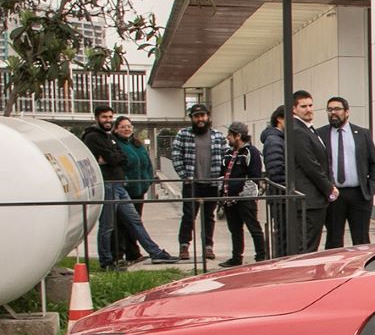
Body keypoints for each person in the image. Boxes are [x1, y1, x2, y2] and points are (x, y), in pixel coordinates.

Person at [81, 104, 177, 268]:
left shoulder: (108, 137)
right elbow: (114, 158)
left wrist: (112, 157)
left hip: (119, 186)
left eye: (110, 117)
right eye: (104, 117)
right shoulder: (92, 137)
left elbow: (120, 157)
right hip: (108, 185)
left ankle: (155, 253)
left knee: (135, 221)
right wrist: (112, 157)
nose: (108, 120)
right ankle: (106, 261)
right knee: (108, 226)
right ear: (97, 118)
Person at [317, 96, 375, 247]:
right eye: (330, 109)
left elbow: (373, 163)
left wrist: (371, 189)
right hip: (333, 194)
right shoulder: (320, 134)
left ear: (347, 112)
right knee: (333, 239)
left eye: (337, 109)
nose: (333, 113)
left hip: (359, 194)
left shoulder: (362, 133)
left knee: (361, 240)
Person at [169, 102, 227, 258]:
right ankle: (184, 246)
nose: (200, 119)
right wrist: (185, 176)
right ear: (192, 118)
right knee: (188, 216)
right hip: (192, 183)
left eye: (202, 115)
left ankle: (208, 246)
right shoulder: (183, 134)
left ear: (208, 117)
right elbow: (176, 156)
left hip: (212, 183)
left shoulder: (218, 136)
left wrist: (222, 179)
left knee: (209, 217)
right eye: (196, 116)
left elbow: (225, 158)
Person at [286, 91, 336, 253]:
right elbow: (310, 165)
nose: (308, 109)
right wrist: (329, 187)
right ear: (293, 109)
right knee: (306, 247)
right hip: (309, 199)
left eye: (310, 105)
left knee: (309, 245)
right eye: (303, 106)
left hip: (313, 199)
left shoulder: (306, 129)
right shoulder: (297, 130)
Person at [219, 122, 266, 266]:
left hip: (245, 199)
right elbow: (223, 174)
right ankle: (236, 257)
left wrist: (244, 195)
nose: (227, 137)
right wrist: (222, 194)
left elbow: (254, 177)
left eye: (230, 135)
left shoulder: (251, 152)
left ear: (238, 136)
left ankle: (261, 257)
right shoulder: (228, 153)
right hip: (229, 198)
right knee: (234, 229)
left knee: (254, 227)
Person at [112, 116, 154, 264]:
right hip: (125, 190)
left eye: (129, 126)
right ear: (116, 128)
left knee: (135, 222)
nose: (127, 129)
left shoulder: (137, 145)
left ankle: (133, 253)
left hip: (139, 189)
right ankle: (118, 255)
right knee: (122, 223)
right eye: (123, 126)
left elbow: (147, 163)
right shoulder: (115, 144)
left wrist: (148, 180)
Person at [261, 104, 288, 257]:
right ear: (279, 119)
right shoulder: (274, 140)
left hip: (280, 196)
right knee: (283, 236)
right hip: (281, 198)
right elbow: (276, 170)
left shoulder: (278, 139)